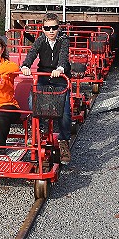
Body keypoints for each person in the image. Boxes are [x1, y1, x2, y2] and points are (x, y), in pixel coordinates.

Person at [20, 13, 72, 162]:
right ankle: (37, 129)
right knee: (33, 101)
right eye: (47, 28)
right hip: (44, 76)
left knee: (65, 111)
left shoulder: (63, 40)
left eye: (54, 28)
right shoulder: (41, 40)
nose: (51, 31)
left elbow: (63, 55)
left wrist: (61, 68)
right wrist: (25, 65)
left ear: (58, 28)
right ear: (42, 29)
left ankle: (63, 141)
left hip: (60, 77)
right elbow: (32, 53)